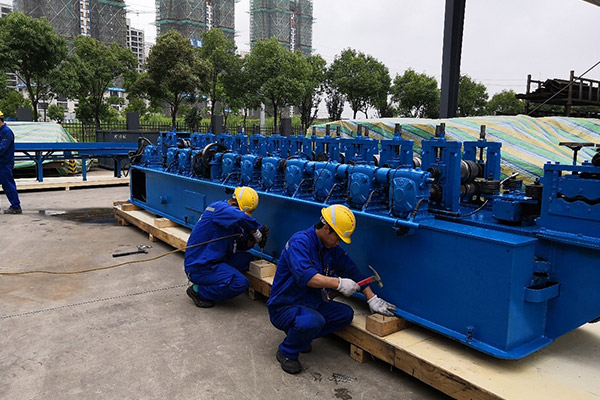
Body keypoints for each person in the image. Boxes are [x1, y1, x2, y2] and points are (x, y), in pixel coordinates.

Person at [267, 204, 396, 374]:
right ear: (327, 228)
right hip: (286, 306)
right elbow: (308, 277)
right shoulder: (300, 242)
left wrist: (371, 297)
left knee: (345, 314)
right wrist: (339, 283)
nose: (339, 242)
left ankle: (300, 336)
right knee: (313, 321)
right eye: (338, 237)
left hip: (312, 303)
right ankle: (287, 352)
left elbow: (351, 270)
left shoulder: (331, 249)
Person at [184, 186, 269, 308]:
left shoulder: (229, 220)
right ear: (233, 204)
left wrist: (253, 239)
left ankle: (222, 278)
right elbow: (241, 217)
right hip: (201, 266)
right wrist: (256, 230)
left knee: (248, 260)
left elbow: (242, 245)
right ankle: (198, 291)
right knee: (240, 283)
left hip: (218, 258)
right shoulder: (218, 208)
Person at [0, 111, 21, 214]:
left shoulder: (6, 132)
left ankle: (16, 206)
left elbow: (2, 148)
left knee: (8, 185)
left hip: (4, 164)